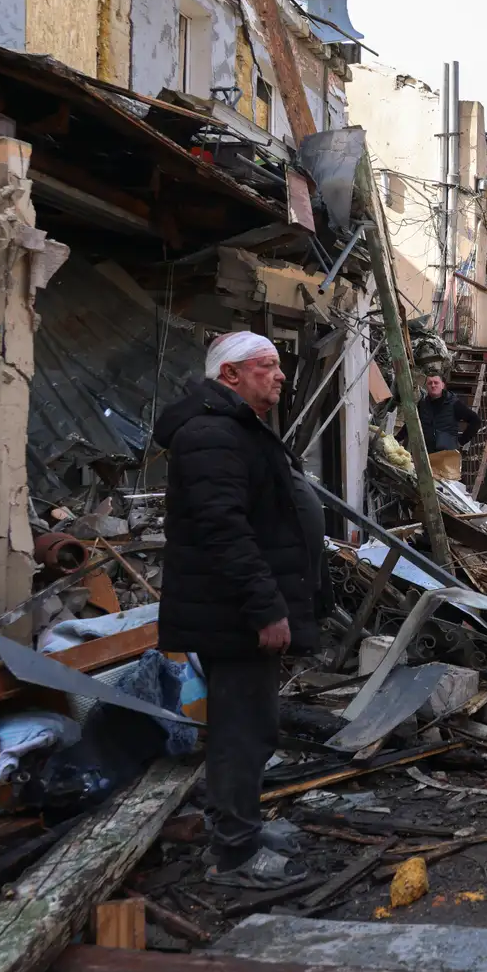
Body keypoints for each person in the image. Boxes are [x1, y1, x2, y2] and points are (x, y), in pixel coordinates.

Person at [153, 331, 323, 889]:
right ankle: (234, 853)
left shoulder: (232, 427)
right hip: (233, 613)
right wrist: (266, 608)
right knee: (241, 731)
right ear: (230, 375)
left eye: (278, 365)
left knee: (250, 726)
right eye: (266, 366)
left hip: (234, 610)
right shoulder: (211, 434)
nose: (280, 375)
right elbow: (223, 530)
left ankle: (240, 824)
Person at [411, 374, 482, 453]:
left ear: (442, 385)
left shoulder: (454, 403)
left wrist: (461, 441)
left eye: (436, 383)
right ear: (426, 386)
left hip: (447, 453)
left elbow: (476, 420)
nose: (433, 385)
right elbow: (411, 422)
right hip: (425, 452)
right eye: (430, 383)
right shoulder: (422, 404)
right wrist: (399, 440)